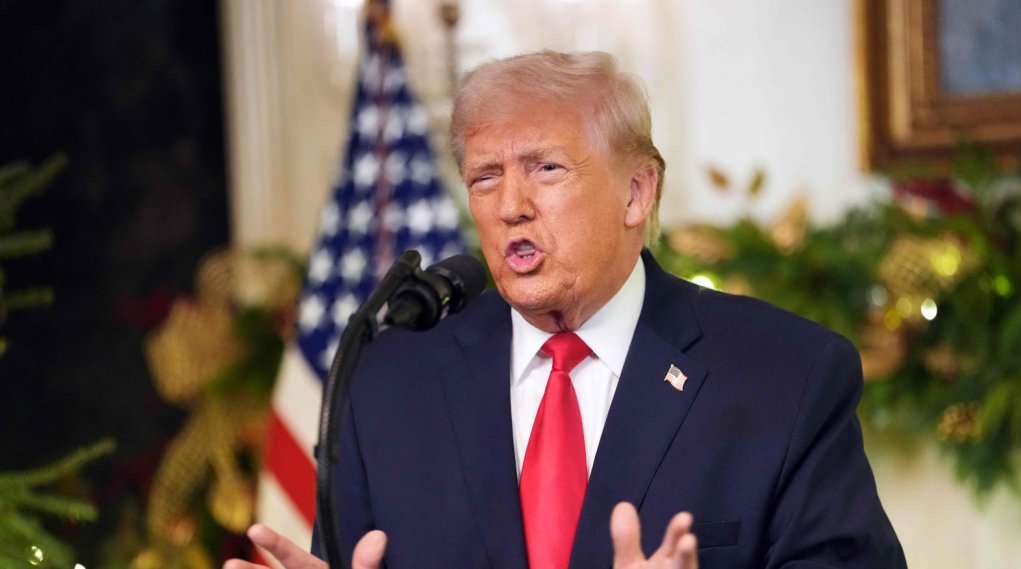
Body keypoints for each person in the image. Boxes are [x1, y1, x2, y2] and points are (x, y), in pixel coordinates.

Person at [225, 50, 906, 569]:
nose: (509, 204)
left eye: (546, 169)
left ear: (637, 193)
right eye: (485, 177)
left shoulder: (784, 376)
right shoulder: (390, 383)